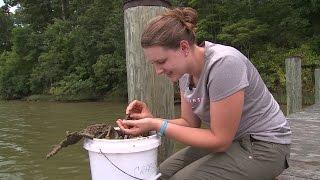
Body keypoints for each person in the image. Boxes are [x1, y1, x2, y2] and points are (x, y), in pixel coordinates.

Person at [117, 7, 291, 180]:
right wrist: (150, 120)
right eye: (153, 63)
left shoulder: (224, 64)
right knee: (161, 174)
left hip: (265, 146)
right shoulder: (185, 74)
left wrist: (156, 125)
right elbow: (188, 123)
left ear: (184, 47)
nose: (158, 71)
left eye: (161, 61)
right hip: (232, 142)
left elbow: (220, 140)